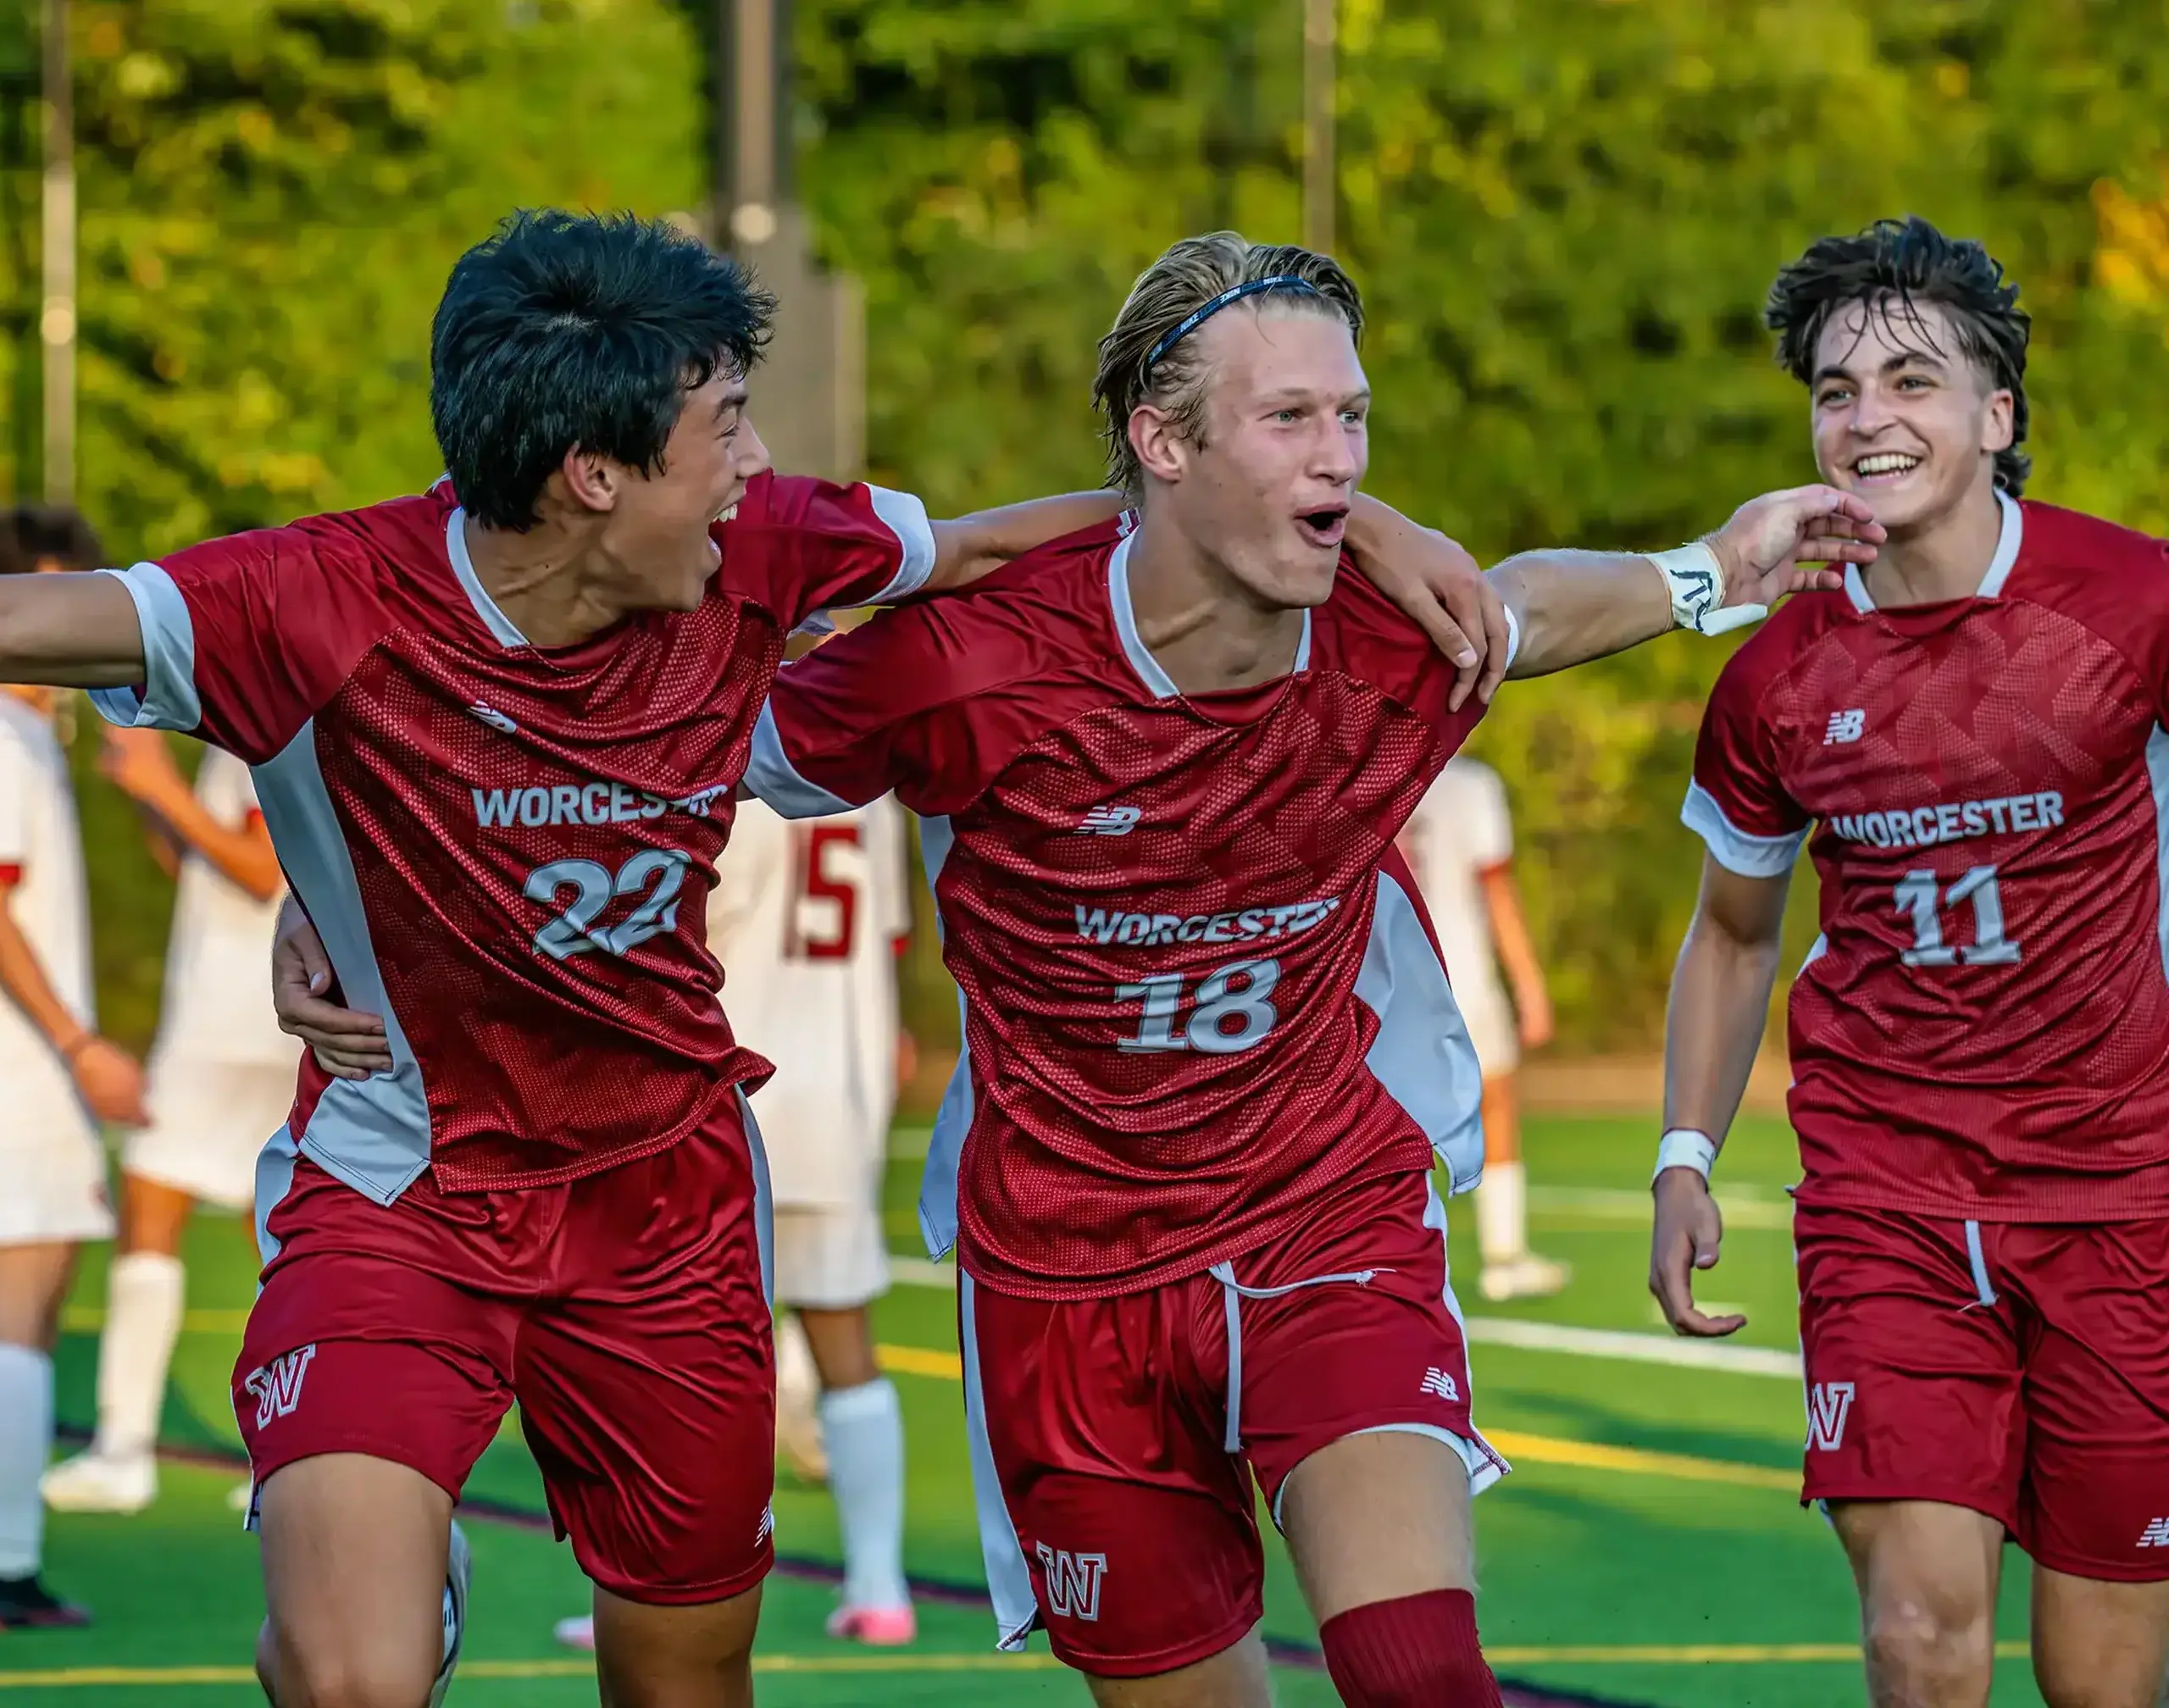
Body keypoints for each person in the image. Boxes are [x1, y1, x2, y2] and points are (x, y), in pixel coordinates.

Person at [3, 209, 1501, 1708]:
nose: (754, 462)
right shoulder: (305, 601)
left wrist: (1369, 523)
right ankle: (380, 1585)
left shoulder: (769, 545)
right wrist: (327, 887)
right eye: (723, 428)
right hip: (407, 1187)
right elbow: (44, 622)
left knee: (683, 1673)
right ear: (596, 474)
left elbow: (1041, 536)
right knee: (352, 1675)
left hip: (667, 1206)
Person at [735, 232, 1878, 1706]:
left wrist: (1716, 567)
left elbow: (1529, 608)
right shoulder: (964, 665)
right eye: (1290, 420)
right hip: (1064, 1275)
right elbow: (696, 737)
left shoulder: (1396, 628)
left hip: (1319, 1216)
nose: (1339, 459)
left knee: (1418, 1672)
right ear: (1162, 440)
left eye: (1353, 419)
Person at [1654, 215, 2169, 1708]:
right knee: (1919, 1632)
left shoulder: (2134, 606)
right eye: (1834, 389)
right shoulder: (1776, 669)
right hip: (1889, 1197)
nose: (1867, 416)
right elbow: (1735, 932)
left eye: (1910, 379)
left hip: (2126, 1199)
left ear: (1996, 416)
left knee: (2105, 1681)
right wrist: (1686, 1153)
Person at [554, 789, 918, 1654]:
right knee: (844, 1339)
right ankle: (880, 1586)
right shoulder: (866, 777)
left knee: (669, 1352)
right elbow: (891, 936)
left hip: (723, 1086)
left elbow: (668, 928)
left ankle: (659, 1590)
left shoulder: (720, 754)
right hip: (840, 1079)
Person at [42, 732, 286, 1517]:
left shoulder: (265, 745)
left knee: (154, 1215)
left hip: (232, 1024)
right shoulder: (243, 747)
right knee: (277, 1243)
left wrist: (156, 783)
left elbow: (260, 874)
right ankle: (282, 1457)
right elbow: (204, 870)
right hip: (255, 1022)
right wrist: (152, 797)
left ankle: (124, 1453)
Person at [0, 507, 149, 1628]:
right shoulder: (4, 737)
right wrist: (78, 1043)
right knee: (26, 1298)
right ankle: (8, 1565)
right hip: (22, 1070)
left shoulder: (34, 733)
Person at [1399, 757, 1561, 1300]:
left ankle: (1394, 1258)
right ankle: (1504, 1259)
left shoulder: (1363, 765)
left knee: (1390, 1121)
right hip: (1460, 971)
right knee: (1495, 1103)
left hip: (1384, 976)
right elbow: (1497, 891)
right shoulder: (1471, 784)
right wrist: (1530, 986)